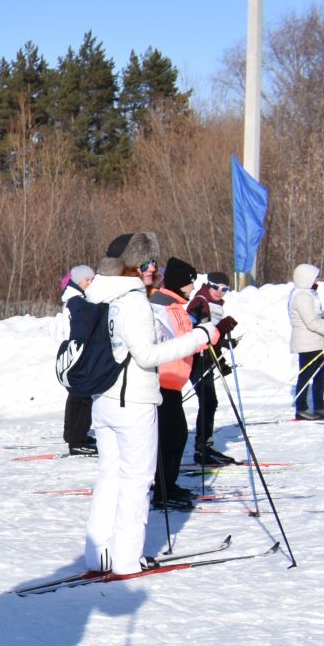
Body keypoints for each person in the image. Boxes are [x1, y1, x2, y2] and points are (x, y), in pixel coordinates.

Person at [83, 232, 235, 576]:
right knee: (136, 482)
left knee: (109, 477)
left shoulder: (100, 294)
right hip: (132, 401)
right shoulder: (132, 299)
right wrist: (200, 337)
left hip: (104, 399)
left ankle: (99, 556)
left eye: (155, 263)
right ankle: (125, 561)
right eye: (148, 263)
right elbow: (147, 354)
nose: (154, 269)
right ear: (132, 266)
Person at [150, 258, 198, 509]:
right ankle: (163, 489)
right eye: (191, 282)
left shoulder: (176, 305)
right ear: (181, 283)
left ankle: (169, 484)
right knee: (172, 437)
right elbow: (174, 341)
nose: (193, 287)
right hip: (164, 380)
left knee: (176, 437)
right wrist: (202, 337)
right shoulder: (163, 304)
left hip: (174, 382)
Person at [186, 271, 239, 466]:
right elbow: (193, 329)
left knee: (210, 402)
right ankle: (202, 449)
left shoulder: (216, 305)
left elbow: (213, 337)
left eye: (225, 289)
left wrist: (222, 355)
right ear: (208, 285)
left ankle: (205, 446)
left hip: (207, 358)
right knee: (208, 402)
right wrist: (219, 330)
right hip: (196, 358)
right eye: (216, 287)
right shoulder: (200, 301)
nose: (220, 292)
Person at [290, 262, 324, 420]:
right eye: (315, 278)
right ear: (306, 278)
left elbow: (312, 317)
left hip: (314, 342)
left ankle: (319, 407)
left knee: (321, 373)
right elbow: (311, 324)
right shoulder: (302, 296)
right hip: (306, 343)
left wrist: (321, 314)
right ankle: (301, 408)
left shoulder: (307, 294)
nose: (317, 281)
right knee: (306, 375)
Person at [60, 265, 101, 456]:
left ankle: (72, 435)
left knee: (76, 395)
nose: (90, 283)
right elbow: (81, 330)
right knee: (83, 397)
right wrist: (85, 349)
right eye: (88, 280)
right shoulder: (77, 301)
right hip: (79, 352)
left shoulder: (73, 298)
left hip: (74, 351)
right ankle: (77, 440)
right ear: (79, 282)